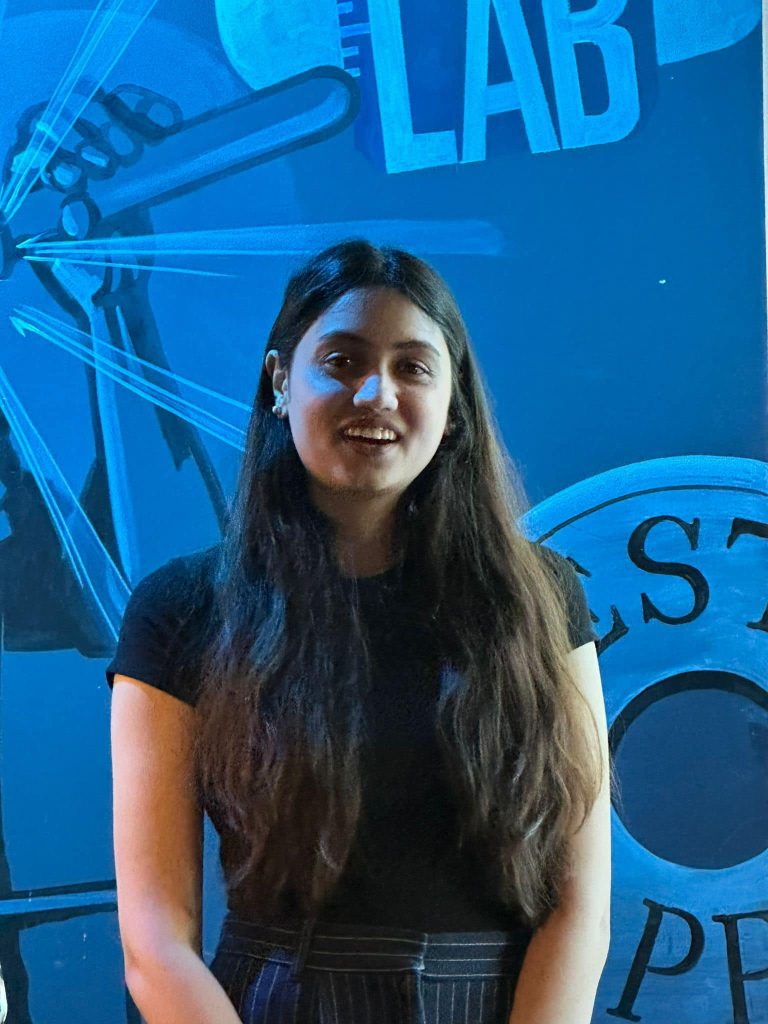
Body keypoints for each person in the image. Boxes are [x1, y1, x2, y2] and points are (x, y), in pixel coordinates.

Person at [106, 239, 612, 1024]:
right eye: (341, 362)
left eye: (413, 367)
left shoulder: (540, 599)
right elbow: (155, 941)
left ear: (453, 405)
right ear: (281, 380)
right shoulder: (180, 609)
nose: (377, 394)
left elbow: (579, 912)